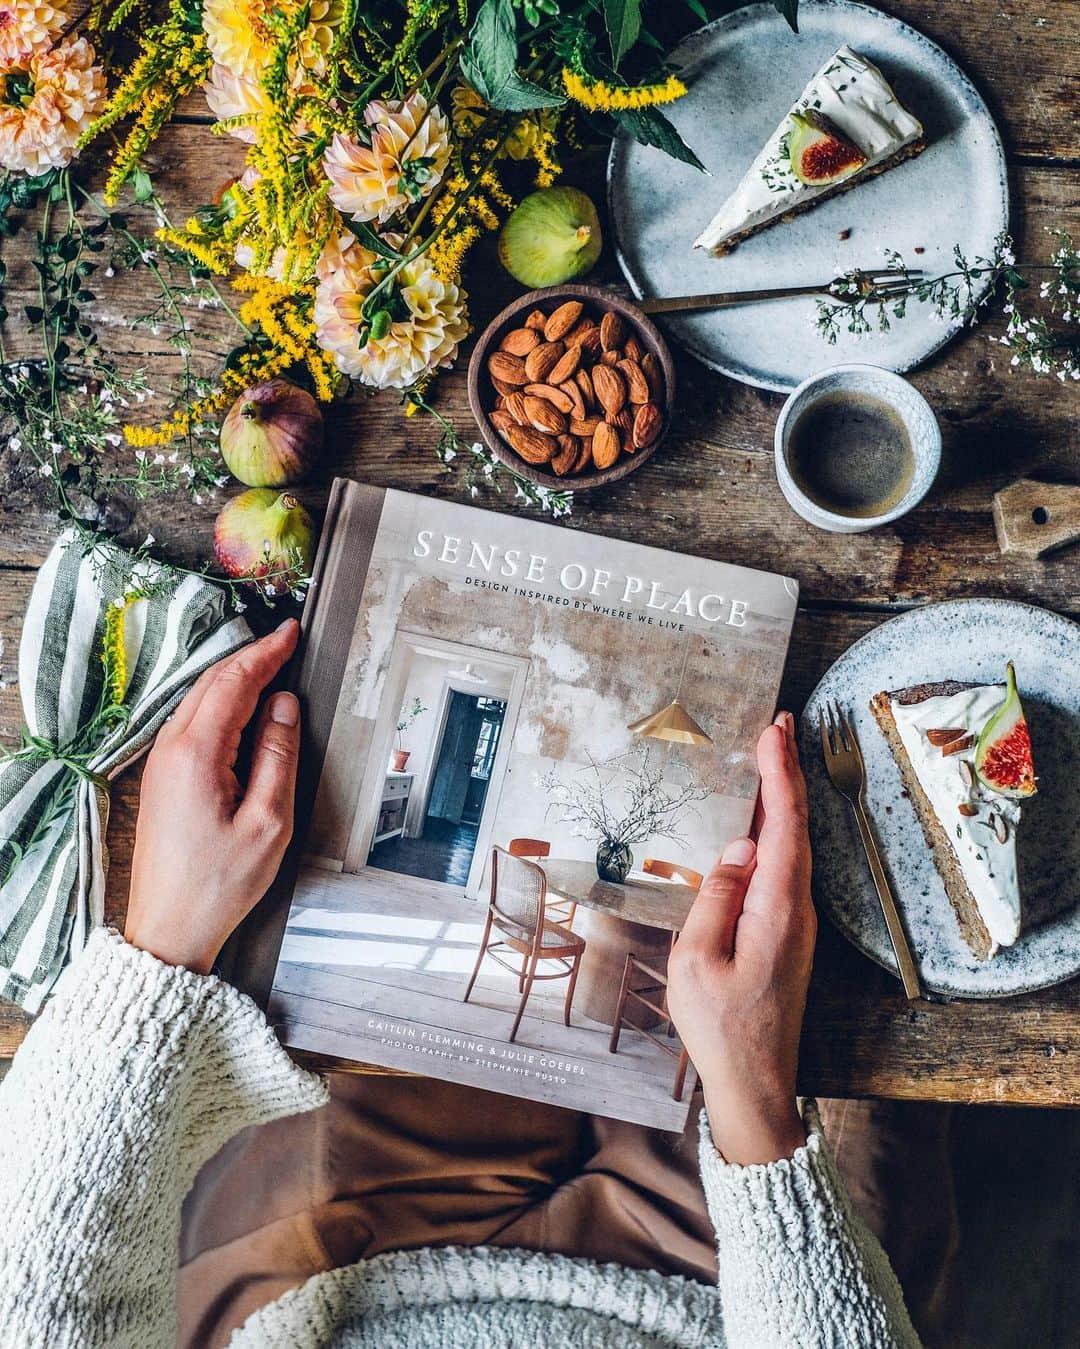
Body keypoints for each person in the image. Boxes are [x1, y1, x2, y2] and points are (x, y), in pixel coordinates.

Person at [0, 620, 923, 1348]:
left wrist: (161, 948)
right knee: (861, 948)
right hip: (718, 1295)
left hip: (344, 1267)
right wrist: (758, 1105)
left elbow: (35, 1297)